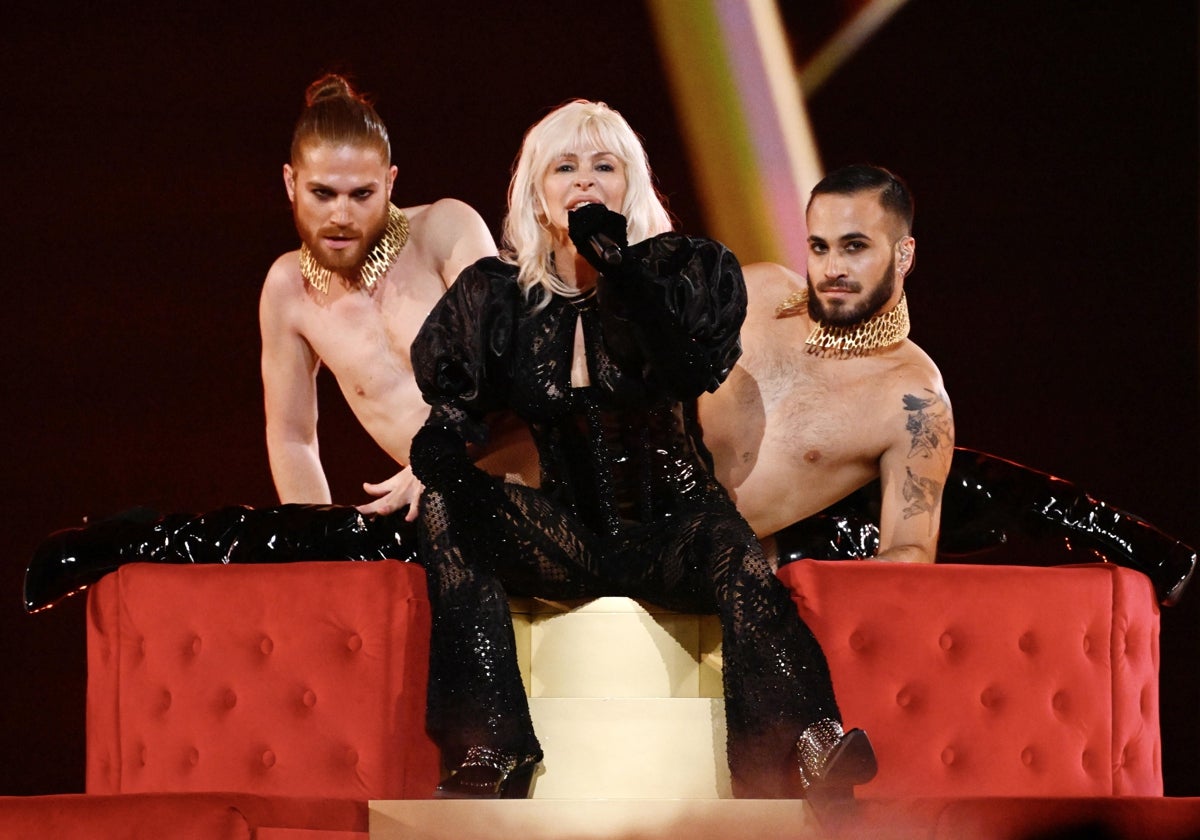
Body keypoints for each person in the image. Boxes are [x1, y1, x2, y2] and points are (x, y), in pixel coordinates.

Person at [406, 99, 876, 801]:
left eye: (605, 167)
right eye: (565, 168)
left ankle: (810, 743)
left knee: (733, 549)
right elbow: (455, 408)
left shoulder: (686, 274)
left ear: (635, 186)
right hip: (567, 534)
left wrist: (618, 265)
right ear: (537, 194)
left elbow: (688, 369)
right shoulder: (498, 298)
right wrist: (441, 446)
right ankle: (489, 747)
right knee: (445, 508)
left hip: (676, 531)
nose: (585, 182)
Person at [23, 73, 537, 613]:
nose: (341, 215)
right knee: (261, 537)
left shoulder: (445, 228)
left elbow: (501, 354)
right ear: (291, 183)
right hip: (430, 511)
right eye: (322, 193)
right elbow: (292, 437)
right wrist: (316, 546)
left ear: (390, 182)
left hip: (514, 486)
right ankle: (121, 544)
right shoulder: (287, 289)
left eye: (361, 194)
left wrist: (440, 455)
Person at [698, 164, 954, 568]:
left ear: (903, 254)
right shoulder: (757, 290)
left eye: (855, 247)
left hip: (703, 573)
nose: (832, 268)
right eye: (820, 247)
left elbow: (911, 553)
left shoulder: (917, 399)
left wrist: (808, 584)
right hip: (604, 503)